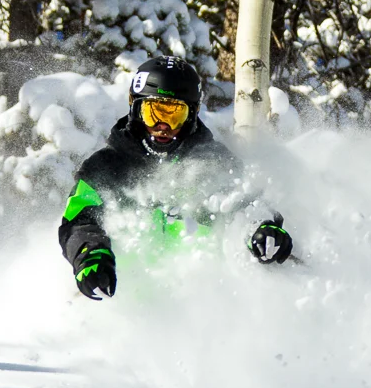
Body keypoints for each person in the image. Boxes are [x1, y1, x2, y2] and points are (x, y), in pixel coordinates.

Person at [58, 56, 293, 300]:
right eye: (153, 113)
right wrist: (90, 254)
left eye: (174, 115)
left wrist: (263, 229)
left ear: (192, 114)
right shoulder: (105, 168)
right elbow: (79, 220)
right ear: (135, 108)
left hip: (203, 302)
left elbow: (246, 205)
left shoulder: (214, 163)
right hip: (125, 298)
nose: (163, 126)